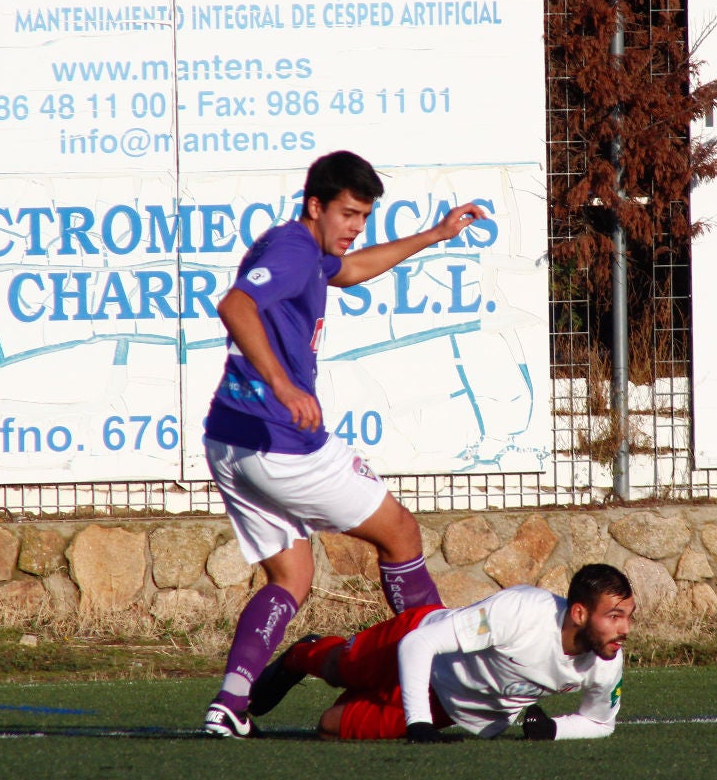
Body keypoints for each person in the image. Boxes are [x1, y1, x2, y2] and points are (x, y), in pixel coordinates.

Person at [202, 150, 490, 739]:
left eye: (364, 216)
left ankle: (230, 705)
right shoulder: (293, 249)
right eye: (349, 214)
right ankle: (439, 672)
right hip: (280, 444)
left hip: (229, 442)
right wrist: (281, 385)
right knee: (401, 532)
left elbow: (352, 270)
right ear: (316, 206)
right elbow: (234, 304)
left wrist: (437, 234)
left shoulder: (307, 250)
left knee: (291, 578)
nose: (356, 226)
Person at [247, 563, 634, 742]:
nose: (625, 630)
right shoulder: (521, 611)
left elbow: (600, 723)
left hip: (445, 705)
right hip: (418, 635)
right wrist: (417, 724)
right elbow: (419, 644)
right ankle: (301, 654)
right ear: (580, 613)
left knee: (329, 725)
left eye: (628, 617)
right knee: (339, 666)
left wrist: (553, 730)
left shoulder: (607, 661)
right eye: (614, 616)